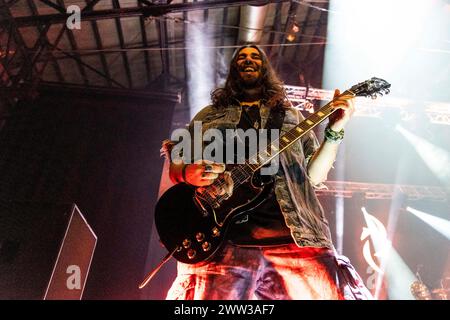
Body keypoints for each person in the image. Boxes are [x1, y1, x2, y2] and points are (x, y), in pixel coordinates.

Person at [160, 45, 373, 300]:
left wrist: (335, 131)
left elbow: (314, 177)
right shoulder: (208, 115)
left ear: (265, 70)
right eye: (242, 57)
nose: (248, 60)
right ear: (233, 71)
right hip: (222, 243)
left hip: (298, 239)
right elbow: (177, 163)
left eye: (255, 57)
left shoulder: (292, 117)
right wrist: (187, 173)